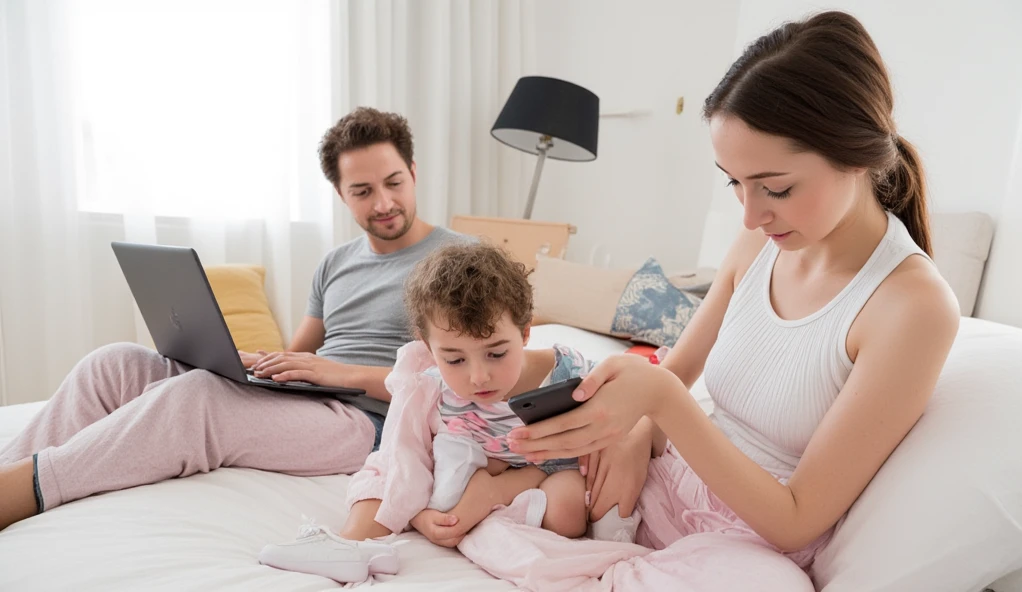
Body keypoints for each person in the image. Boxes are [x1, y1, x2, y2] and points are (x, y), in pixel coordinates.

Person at [503, 11, 960, 589]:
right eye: (733, 183)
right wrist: (637, 433)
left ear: (859, 156)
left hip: (744, 547)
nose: (749, 215)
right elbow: (679, 371)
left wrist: (663, 402)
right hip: (666, 481)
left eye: (776, 188)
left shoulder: (912, 307)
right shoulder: (759, 240)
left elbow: (795, 521)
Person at [0, 107, 464, 531]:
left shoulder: (460, 260)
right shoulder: (335, 263)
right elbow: (300, 352)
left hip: (372, 420)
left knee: (196, 398)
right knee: (113, 363)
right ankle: (8, 469)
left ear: (414, 173)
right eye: (363, 191)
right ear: (342, 195)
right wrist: (252, 364)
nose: (382, 202)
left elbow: (464, 382)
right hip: (313, 395)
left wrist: (341, 374)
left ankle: (21, 492)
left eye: (394, 183)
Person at [258, 243, 654, 583]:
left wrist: (498, 487)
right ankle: (353, 545)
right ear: (428, 348)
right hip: (456, 461)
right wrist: (420, 517)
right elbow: (408, 455)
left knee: (568, 513)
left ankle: (488, 502)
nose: (478, 376)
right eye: (454, 359)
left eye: (497, 353)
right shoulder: (431, 383)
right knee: (384, 470)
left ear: (526, 332)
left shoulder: (568, 373)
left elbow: (603, 436)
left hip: (543, 469)